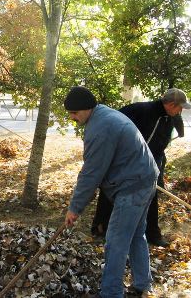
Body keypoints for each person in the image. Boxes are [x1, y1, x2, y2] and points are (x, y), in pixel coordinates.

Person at [63, 86, 159, 297]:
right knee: (135, 235)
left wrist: (75, 208)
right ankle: (143, 284)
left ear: (86, 109)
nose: (72, 117)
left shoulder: (100, 129)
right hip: (145, 178)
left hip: (133, 187)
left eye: (74, 113)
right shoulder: (103, 114)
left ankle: (111, 293)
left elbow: (91, 174)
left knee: (115, 242)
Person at [91, 88, 190, 247]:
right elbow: (112, 125)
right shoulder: (143, 111)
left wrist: (157, 171)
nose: (181, 111)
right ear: (171, 104)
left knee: (151, 195)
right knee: (110, 190)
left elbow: (159, 147)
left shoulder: (170, 117)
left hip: (150, 164)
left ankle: (152, 234)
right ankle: (101, 228)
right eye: (180, 107)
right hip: (125, 161)